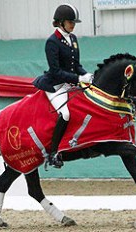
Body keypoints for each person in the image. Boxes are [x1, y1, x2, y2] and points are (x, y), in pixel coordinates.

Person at [33, 3, 93, 168]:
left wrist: (86, 75)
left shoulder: (73, 39)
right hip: (55, 85)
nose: (73, 25)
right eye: (70, 22)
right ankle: (53, 153)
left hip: (69, 83)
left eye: (74, 22)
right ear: (60, 22)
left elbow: (76, 65)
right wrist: (78, 79)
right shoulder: (52, 42)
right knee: (65, 114)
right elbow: (55, 71)